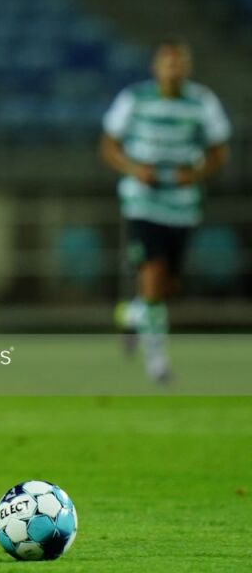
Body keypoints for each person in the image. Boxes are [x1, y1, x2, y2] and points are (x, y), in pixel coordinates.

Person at [101, 36, 230, 382]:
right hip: (143, 202)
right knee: (153, 274)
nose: (173, 70)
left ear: (187, 67)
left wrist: (195, 174)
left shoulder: (202, 102)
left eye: (179, 63)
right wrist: (134, 169)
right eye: (167, 63)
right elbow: (109, 145)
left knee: (166, 286)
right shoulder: (135, 99)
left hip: (182, 205)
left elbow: (219, 151)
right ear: (155, 67)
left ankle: (132, 315)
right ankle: (157, 363)